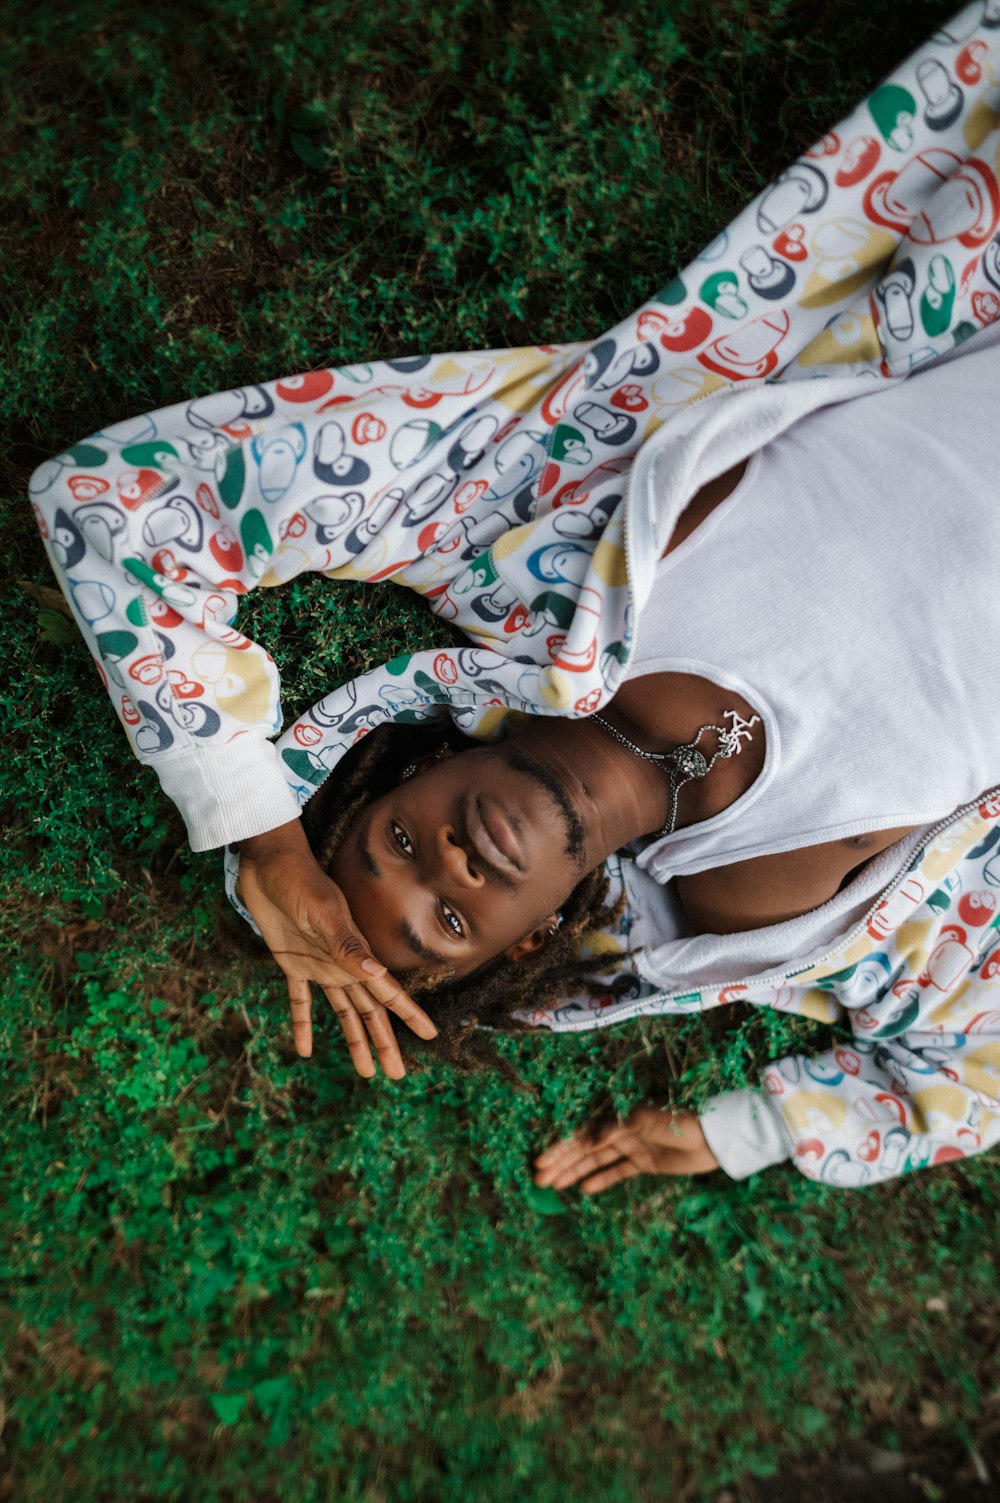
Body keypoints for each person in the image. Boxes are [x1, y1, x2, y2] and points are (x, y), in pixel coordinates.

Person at [29, 2, 1000, 1190]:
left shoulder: (518, 527)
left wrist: (260, 830)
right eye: (446, 923)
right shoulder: (765, 918)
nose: (447, 865)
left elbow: (118, 500)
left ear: (414, 769)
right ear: (533, 935)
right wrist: (740, 1134)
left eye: (393, 840)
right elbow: (976, 1062)